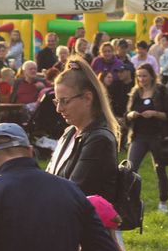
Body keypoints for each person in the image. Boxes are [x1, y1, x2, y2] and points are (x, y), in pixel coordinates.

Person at [46, 58, 121, 203]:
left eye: (64, 101)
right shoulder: (69, 132)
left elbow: (75, 193)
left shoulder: (99, 140)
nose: (59, 109)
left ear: (87, 98)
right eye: (57, 101)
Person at [125, 64, 168, 214]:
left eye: (144, 75)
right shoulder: (135, 93)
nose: (141, 79)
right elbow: (127, 115)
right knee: (129, 170)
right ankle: (129, 202)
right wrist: (131, 115)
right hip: (138, 136)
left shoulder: (161, 91)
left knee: (160, 169)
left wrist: (155, 113)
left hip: (157, 136)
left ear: (151, 75)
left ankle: (163, 202)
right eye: (139, 76)